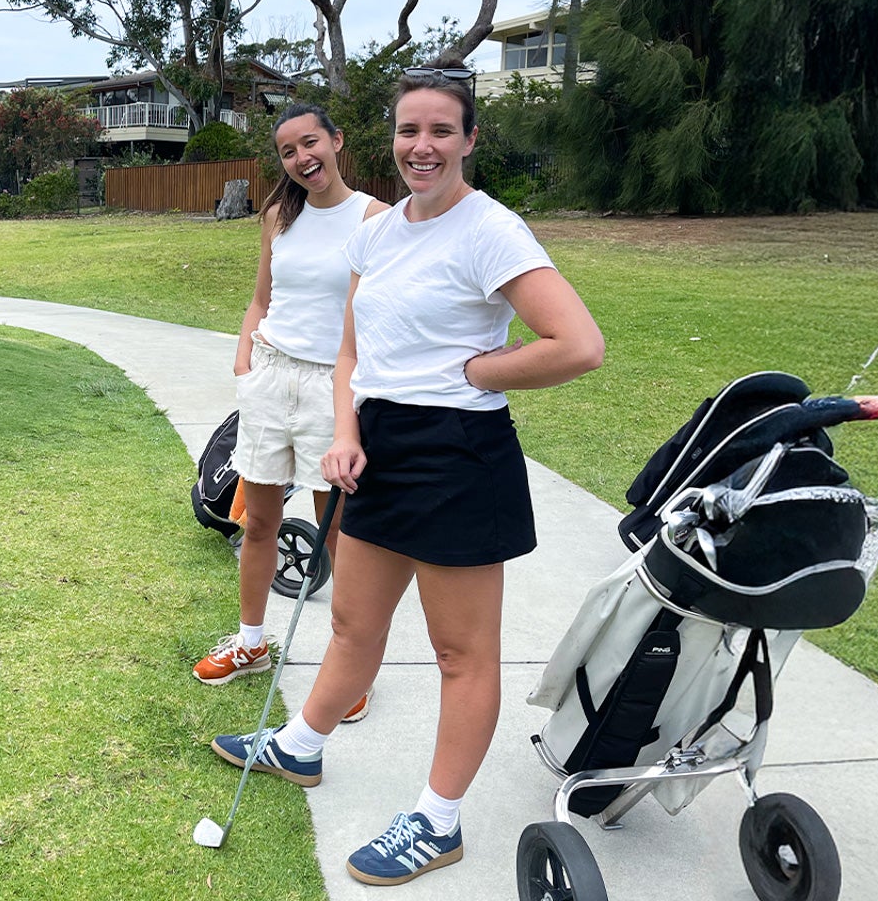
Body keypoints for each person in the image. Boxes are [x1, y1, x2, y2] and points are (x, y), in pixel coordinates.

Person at [211, 64, 605, 887]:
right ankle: (302, 746)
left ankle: (437, 820)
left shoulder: (489, 228)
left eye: (439, 131)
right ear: (390, 138)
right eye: (408, 130)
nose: (421, 147)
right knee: (354, 623)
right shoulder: (380, 231)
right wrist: (347, 432)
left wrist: (479, 372)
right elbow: (353, 349)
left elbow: (577, 344)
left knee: (461, 654)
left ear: (468, 140)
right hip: (378, 444)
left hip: (459, 455)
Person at [192, 104, 387, 733]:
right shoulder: (279, 214)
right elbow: (261, 298)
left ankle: (346, 672)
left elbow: (373, 321)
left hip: (335, 386)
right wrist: (245, 358)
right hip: (271, 379)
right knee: (259, 522)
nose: (302, 159)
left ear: (336, 140)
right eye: (287, 151)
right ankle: (251, 641)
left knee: (340, 534)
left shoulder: (376, 219)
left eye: (312, 144)